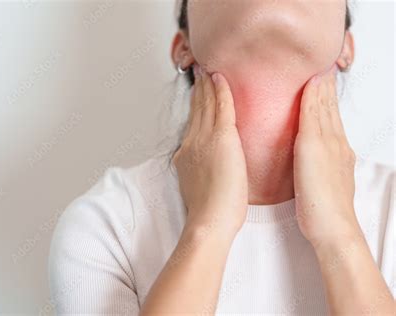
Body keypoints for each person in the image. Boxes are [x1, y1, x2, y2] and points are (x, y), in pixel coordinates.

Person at [49, 0, 395, 314]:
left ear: (346, 48)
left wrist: (340, 233)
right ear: (183, 47)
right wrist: (208, 227)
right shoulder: (107, 227)